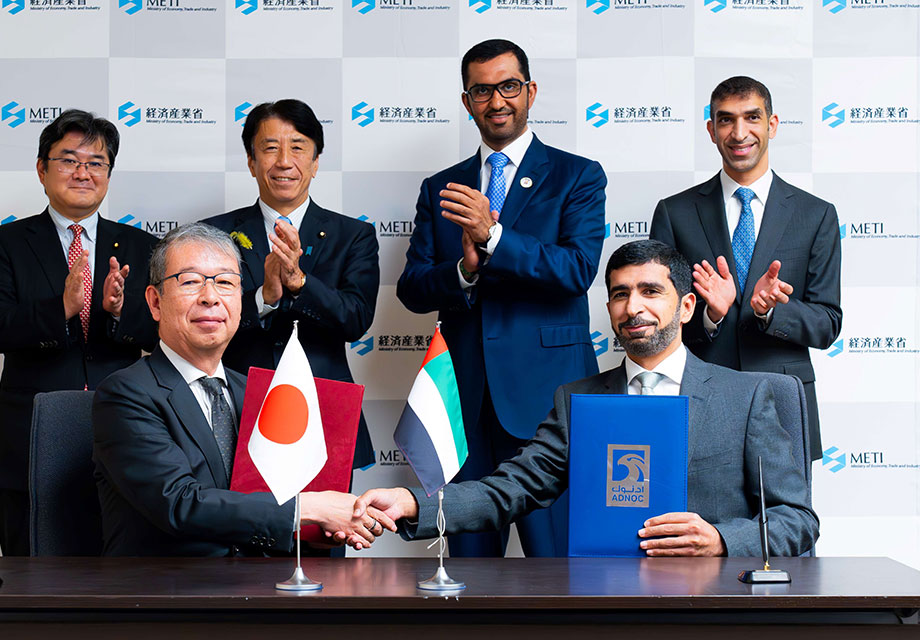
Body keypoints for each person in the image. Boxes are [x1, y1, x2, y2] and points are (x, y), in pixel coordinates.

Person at [356, 240, 819, 558]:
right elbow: (508, 490)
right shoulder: (576, 399)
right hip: (605, 602)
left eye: (651, 292)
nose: (633, 307)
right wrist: (413, 503)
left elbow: (796, 520)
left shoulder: (746, 397)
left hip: (709, 608)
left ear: (686, 307)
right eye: (620, 294)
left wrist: (719, 540)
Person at [397, 39, 607, 557]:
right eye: (482, 91)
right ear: (466, 101)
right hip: (464, 405)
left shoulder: (577, 175)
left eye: (509, 86)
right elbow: (413, 288)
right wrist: (465, 271)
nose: (497, 101)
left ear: (530, 91)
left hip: (546, 404)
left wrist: (493, 237)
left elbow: (577, 270)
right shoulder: (440, 186)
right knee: (469, 571)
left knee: (560, 568)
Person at [92, 223, 386, 557]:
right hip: (167, 585)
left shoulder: (259, 393)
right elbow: (179, 503)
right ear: (155, 302)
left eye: (225, 282)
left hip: (260, 583)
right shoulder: (125, 394)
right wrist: (307, 509)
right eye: (190, 281)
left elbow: (268, 505)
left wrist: (316, 531)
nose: (210, 297)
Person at [0, 109, 158, 556]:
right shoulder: (4, 244)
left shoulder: (142, 246)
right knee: (30, 573)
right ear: (42, 168)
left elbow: (163, 332)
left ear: (108, 174)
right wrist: (63, 308)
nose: (82, 173)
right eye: (69, 160)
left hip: (124, 433)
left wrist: (117, 312)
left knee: (126, 574)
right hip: (31, 437)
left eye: (96, 163)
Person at [650, 76, 841, 461]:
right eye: (726, 120)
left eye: (752, 117)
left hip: (783, 404)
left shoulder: (816, 214)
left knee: (784, 504)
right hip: (700, 399)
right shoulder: (675, 212)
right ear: (711, 130)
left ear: (772, 124)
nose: (739, 133)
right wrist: (710, 316)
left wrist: (771, 311)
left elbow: (827, 323)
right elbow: (658, 318)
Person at [200, 99, 378, 474]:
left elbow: (356, 320)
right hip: (239, 410)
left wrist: (300, 283)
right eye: (270, 148)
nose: (284, 161)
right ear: (251, 162)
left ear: (315, 162)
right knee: (238, 514)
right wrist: (263, 298)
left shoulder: (353, 235)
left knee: (326, 514)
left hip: (325, 410)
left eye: (297, 147)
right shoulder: (213, 234)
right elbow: (201, 322)